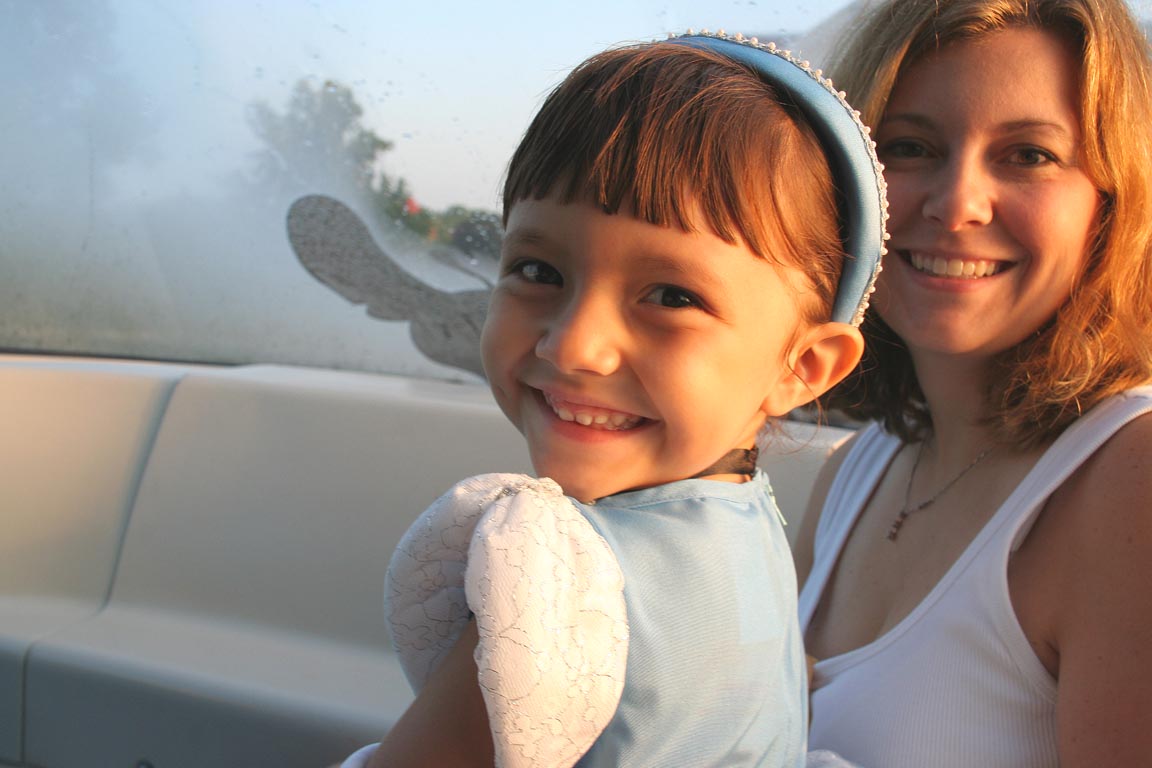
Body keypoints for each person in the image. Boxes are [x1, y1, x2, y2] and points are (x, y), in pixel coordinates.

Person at [338, 31, 887, 768]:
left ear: (804, 366)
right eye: (537, 269)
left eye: (670, 295)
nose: (572, 347)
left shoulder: (551, 592)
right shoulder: (745, 515)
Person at [794, 0, 1152, 766]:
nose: (957, 204)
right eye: (910, 146)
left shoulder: (1132, 479)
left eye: (1028, 155)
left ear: (1113, 201)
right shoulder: (853, 475)